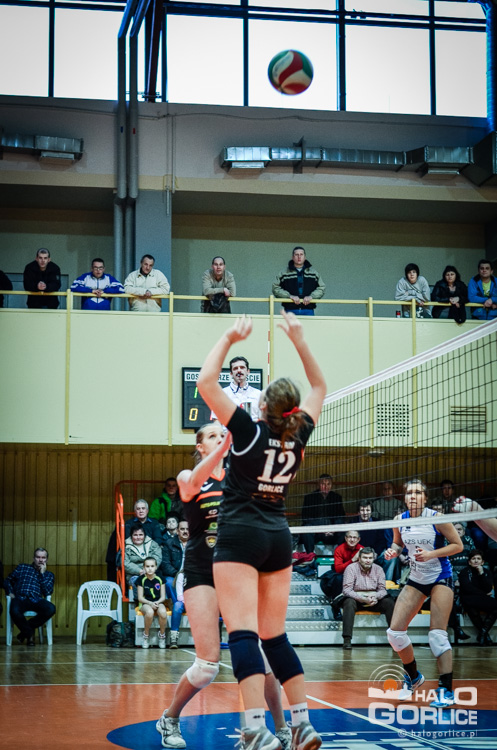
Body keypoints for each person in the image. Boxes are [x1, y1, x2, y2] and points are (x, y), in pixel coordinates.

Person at [196, 311, 326, 750]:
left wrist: (229, 336)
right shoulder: (298, 435)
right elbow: (319, 387)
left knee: (244, 635)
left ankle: (255, 729)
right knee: (276, 636)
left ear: (263, 407)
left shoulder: (248, 432)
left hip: (240, 535)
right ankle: (302, 725)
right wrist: (300, 341)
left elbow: (206, 383)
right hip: (278, 537)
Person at [156, 422, 292, 750]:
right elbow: (192, 482)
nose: (220, 438)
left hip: (237, 571)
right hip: (201, 572)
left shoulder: (240, 478)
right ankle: (170, 718)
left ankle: (278, 729)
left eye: (222, 434)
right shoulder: (188, 477)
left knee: (262, 657)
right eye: (212, 436)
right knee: (207, 667)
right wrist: (227, 442)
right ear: (200, 446)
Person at [384, 478, 463, 708]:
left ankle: (446, 690)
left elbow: (457, 545)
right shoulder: (399, 520)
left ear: (425, 498)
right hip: (416, 578)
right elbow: (398, 544)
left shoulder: (437, 519)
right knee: (395, 634)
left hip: (440, 577)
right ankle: (413, 676)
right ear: (404, 497)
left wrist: (431, 554)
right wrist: (392, 551)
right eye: (409, 493)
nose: (413, 496)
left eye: (418, 492)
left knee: (437, 636)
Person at [341, 547, 395, 650]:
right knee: (348, 602)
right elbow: (347, 590)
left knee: (389, 602)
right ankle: (347, 640)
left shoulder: (378, 569)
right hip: (357, 600)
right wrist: (362, 598)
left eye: (370, 558)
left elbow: (383, 590)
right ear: (359, 558)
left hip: (374, 599)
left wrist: (375, 597)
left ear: (373, 558)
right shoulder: (351, 568)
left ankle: (395, 638)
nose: (368, 560)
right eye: (365, 558)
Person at [4, 547, 56, 646]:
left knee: (51, 608)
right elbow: (7, 580)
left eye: (43, 558)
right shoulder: (22, 568)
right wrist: (10, 592)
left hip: (36, 599)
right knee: (14, 611)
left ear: (46, 560)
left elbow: (48, 592)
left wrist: (42, 574)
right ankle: (29, 634)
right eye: (38, 557)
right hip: (20, 598)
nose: (40, 560)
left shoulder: (49, 575)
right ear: (33, 558)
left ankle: (24, 633)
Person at [458, 549, 497, 646]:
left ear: (482, 562)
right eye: (473, 558)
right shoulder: (464, 572)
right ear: (469, 562)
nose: (476, 561)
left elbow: (488, 588)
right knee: (470, 607)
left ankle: (483, 633)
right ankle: (485, 635)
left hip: (480, 598)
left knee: (496, 606)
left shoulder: (487, 572)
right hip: (468, 598)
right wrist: (483, 594)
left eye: (478, 559)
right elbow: (467, 588)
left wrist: (481, 573)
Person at [272, 246, 325, 316]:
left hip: (308, 310)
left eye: (301, 254)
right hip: (290, 310)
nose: (299, 257)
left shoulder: (314, 273)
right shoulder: (284, 273)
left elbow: (321, 288)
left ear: (305, 257)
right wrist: (289, 296)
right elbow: (275, 288)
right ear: (292, 257)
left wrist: (311, 297)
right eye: (296, 254)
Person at [162, 520, 190, 649]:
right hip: (175, 576)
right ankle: (177, 604)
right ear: (177, 531)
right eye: (182, 529)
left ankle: (179, 605)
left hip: (191, 577)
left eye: (187, 529)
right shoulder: (169, 543)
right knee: (167, 582)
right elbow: (165, 564)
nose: (185, 531)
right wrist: (179, 574)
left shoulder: (196, 545)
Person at [300, 474, 345, 554]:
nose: (325, 486)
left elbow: (341, 517)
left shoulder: (336, 497)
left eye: (328, 484)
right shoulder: (310, 497)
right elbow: (306, 518)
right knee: (306, 530)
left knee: (344, 531)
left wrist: (333, 529)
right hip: (315, 531)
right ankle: (310, 556)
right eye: (323, 484)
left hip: (332, 532)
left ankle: (339, 556)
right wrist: (321, 529)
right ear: (319, 484)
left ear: (331, 485)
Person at [214, 355, 261, 421]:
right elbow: (216, 420)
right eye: (235, 368)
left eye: (242, 367)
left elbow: (263, 420)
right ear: (231, 374)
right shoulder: (222, 394)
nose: (239, 370)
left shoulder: (258, 394)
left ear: (248, 371)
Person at [136, 556, 168, 649]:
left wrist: (157, 602)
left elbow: (163, 597)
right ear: (144, 567)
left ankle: (162, 635)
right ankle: (146, 635)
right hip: (145, 603)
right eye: (147, 566)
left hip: (158, 602)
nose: (150, 569)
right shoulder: (141, 579)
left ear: (156, 567)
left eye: (152, 566)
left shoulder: (160, 578)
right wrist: (150, 603)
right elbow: (140, 598)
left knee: (163, 613)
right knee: (149, 612)